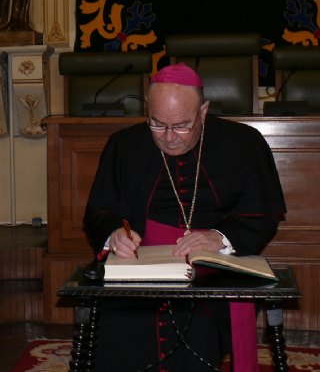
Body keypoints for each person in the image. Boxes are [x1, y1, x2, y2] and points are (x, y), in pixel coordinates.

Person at [83, 63, 286, 372]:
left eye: (181, 126)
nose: (169, 137)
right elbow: (100, 211)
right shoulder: (123, 145)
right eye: (157, 124)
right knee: (116, 325)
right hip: (140, 273)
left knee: (197, 330)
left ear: (203, 112)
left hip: (216, 274)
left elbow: (263, 214)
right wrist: (115, 234)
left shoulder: (243, 143)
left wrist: (219, 237)